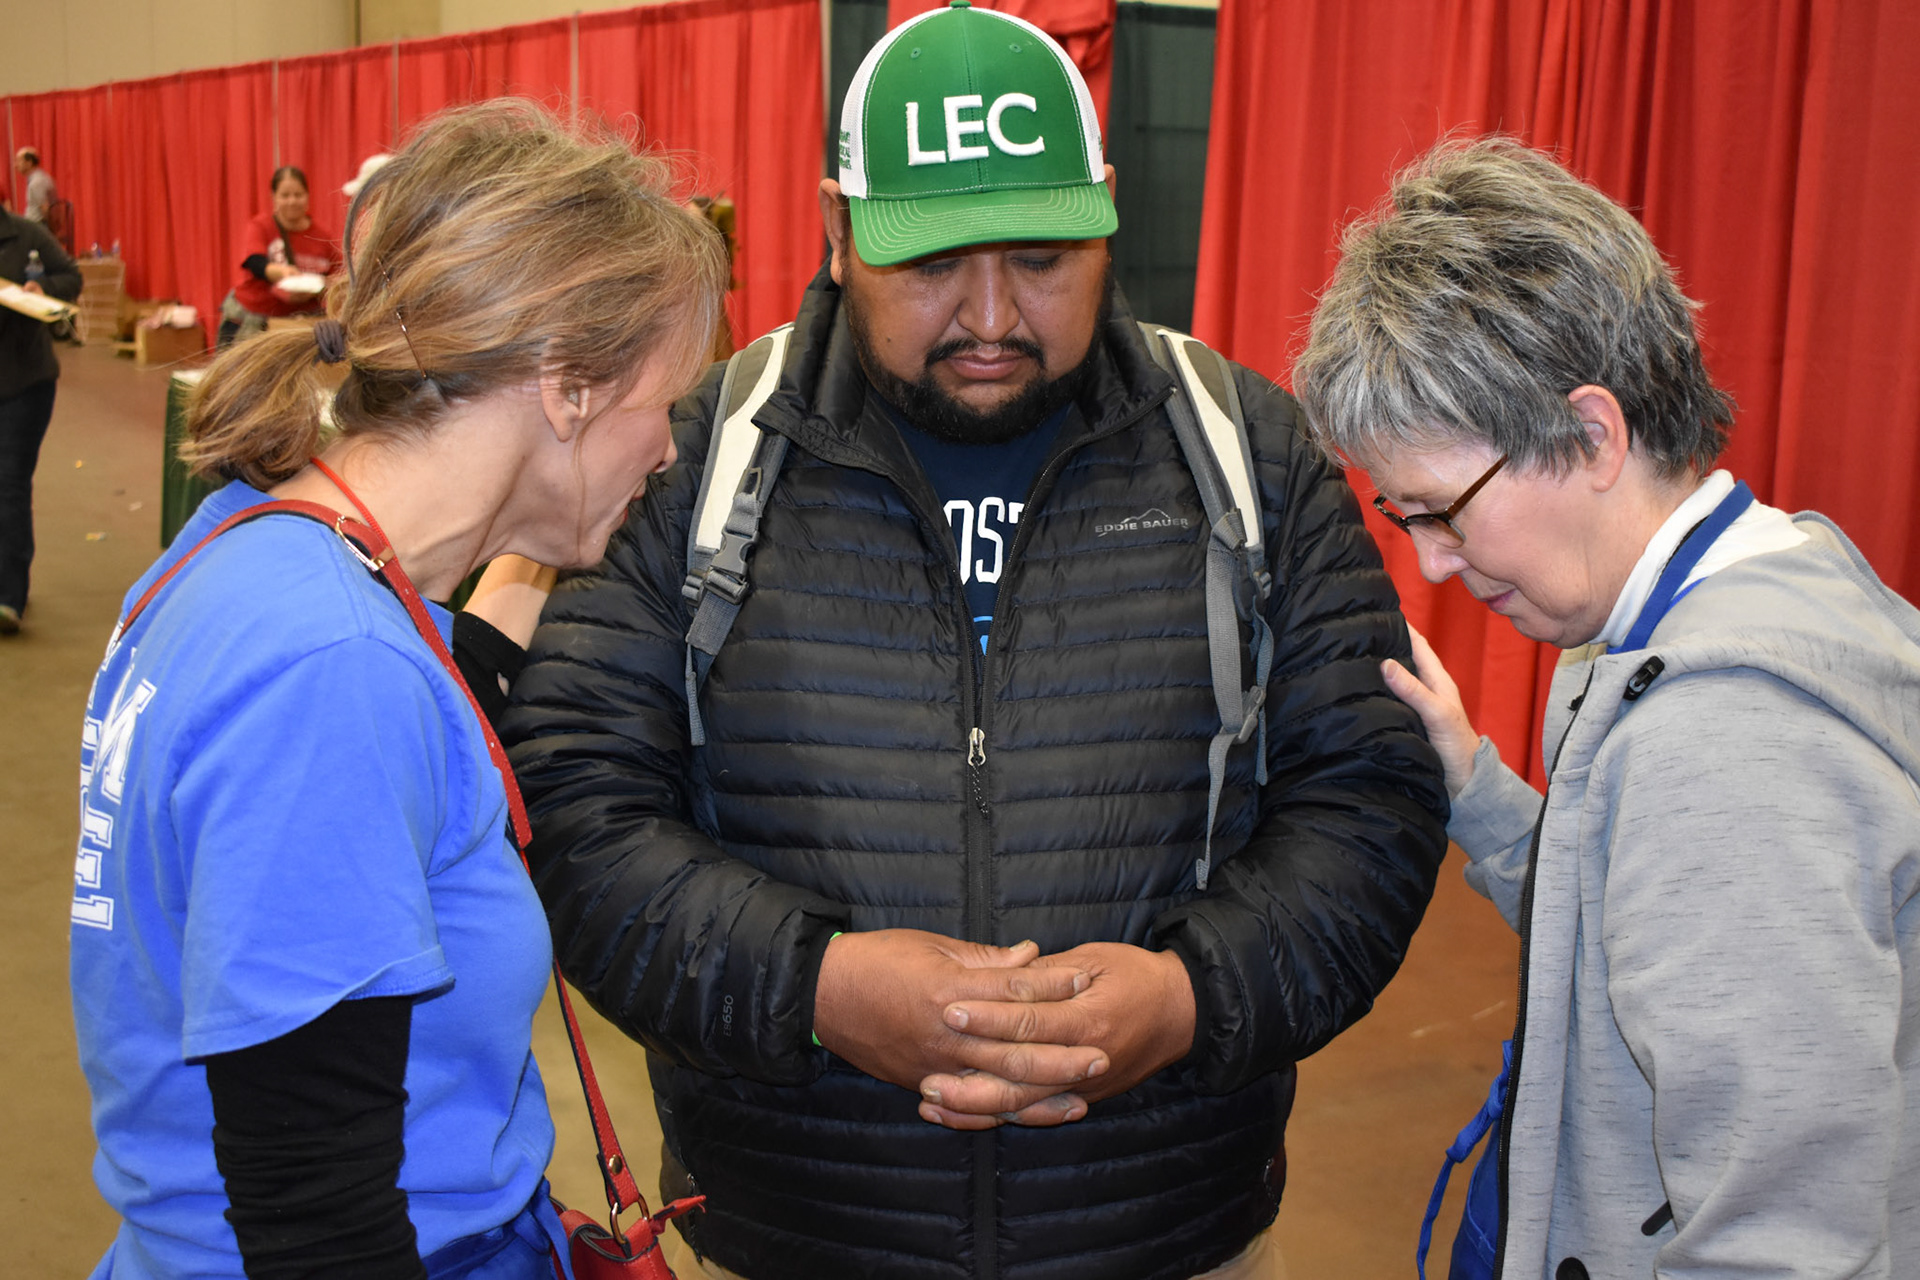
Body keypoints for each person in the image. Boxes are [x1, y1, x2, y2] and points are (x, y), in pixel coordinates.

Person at [502, 6, 1449, 1279]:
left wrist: (1189, 998)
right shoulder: (695, 459)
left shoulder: (1248, 451)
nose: (993, 315)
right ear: (838, 230)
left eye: (1045, 258)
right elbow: (575, 805)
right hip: (795, 1237)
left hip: (1170, 1234)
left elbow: (1370, 801)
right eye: (933, 263)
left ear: (1107, 215)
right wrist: (815, 986)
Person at [68, 99, 726, 1279]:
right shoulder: (331, 672)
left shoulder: (254, 555)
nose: (668, 449)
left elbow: (435, 732)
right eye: (660, 404)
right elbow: (318, 1219)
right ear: (567, 386)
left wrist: (529, 519)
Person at [1292, 136, 1920, 1277]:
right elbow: (1643, 918)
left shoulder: (1724, 741)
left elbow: (1783, 1241)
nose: (1432, 562)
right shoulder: (1764, 578)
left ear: (1592, 434)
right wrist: (1478, 788)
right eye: (1404, 517)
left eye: (1444, 510)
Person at [0, 202, 81, 634]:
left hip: (23, 382)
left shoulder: (27, 235)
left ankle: (8, 597)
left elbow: (71, 277)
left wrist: (41, 288)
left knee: (8, 483)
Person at [215, 165, 342, 346]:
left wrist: (320, 287)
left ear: (308, 196)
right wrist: (284, 274)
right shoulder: (261, 226)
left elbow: (338, 276)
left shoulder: (322, 236)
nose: (292, 201)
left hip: (301, 322)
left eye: (298, 195)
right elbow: (255, 262)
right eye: (285, 195)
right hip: (254, 316)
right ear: (274, 197)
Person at [14, 146, 56, 223]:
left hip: (36, 225)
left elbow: (45, 209)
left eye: (19, 161)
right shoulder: (38, 178)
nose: (15, 166)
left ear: (29, 163)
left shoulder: (37, 182)